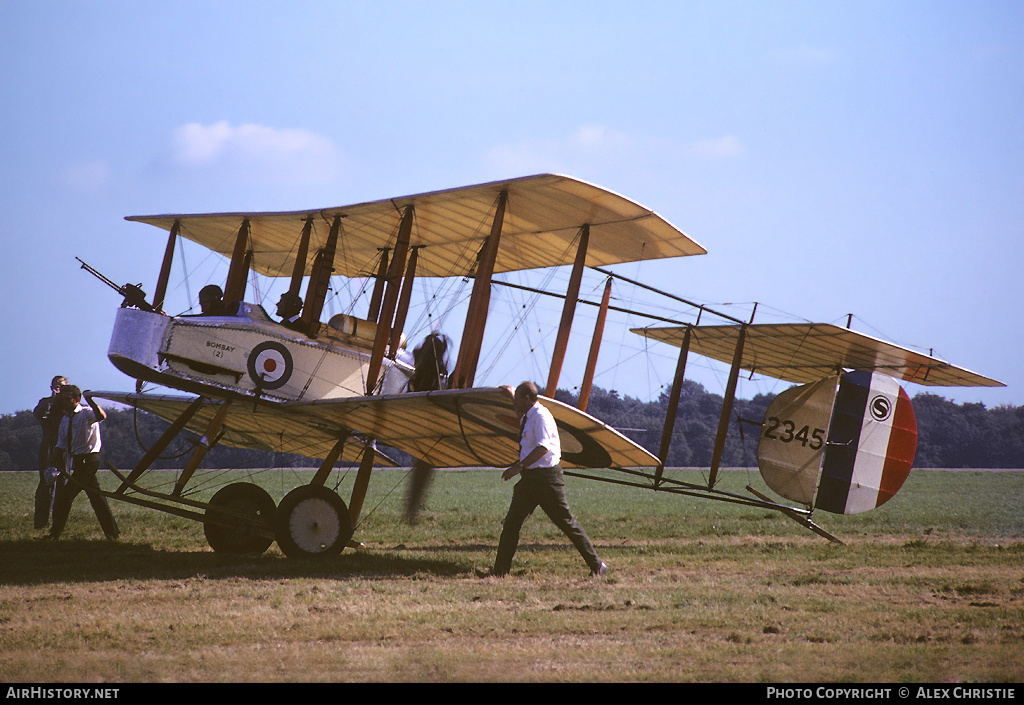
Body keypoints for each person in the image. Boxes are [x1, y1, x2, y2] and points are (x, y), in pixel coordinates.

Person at [484, 381, 608, 578]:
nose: (514, 404)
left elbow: (543, 448)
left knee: (567, 523)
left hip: (547, 480)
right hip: (530, 480)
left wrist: (518, 467)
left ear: (526, 399)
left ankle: (597, 565)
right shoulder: (528, 414)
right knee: (511, 525)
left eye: (517, 400)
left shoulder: (541, 416)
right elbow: (520, 412)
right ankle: (499, 573)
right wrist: (510, 394)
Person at [45, 385, 120, 541]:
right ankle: (112, 533)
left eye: (67, 399)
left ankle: (54, 534)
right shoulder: (65, 418)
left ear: (77, 400)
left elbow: (101, 416)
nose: (64, 402)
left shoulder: (86, 413)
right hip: (78, 460)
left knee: (66, 496)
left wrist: (91, 401)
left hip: (90, 459)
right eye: (62, 399)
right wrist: (54, 458)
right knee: (96, 497)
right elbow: (62, 443)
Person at [32, 375, 67, 529]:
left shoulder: (68, 405)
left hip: (64, 447)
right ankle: (41, 522)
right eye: (56, 386)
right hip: (48, 446)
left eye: (62, 386)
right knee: (45, 483)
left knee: (63, 485)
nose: (58, 389)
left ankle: (58, 523)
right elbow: (38, 414)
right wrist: (52, 400)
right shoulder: (45, 402)